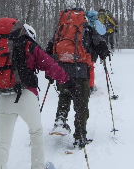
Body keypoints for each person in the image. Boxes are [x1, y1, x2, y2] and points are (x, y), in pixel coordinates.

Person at [0, 18, 69, 169]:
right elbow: (49, 64)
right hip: (26, 95)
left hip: (3, 97)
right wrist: (66, 79)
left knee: (2, 143)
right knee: (36, 131)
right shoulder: (28, 45)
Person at [47, 8, 110, 148]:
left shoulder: (61, 29)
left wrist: (51, 70)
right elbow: (100, 44)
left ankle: (60, 121)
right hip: (80, 72)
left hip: (61, 69)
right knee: (81, 105)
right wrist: (104, 54)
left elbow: (50, 47)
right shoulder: (86, 29)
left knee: (64, 95)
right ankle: (80, 137)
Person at [86, 10, 106, 93]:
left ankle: (82, 84)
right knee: (90, 67)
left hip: (82, 48)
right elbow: (103, 32)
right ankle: (90, 86)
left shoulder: (83, 22)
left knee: (83, 66)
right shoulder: (97, 23)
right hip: (94, 48)